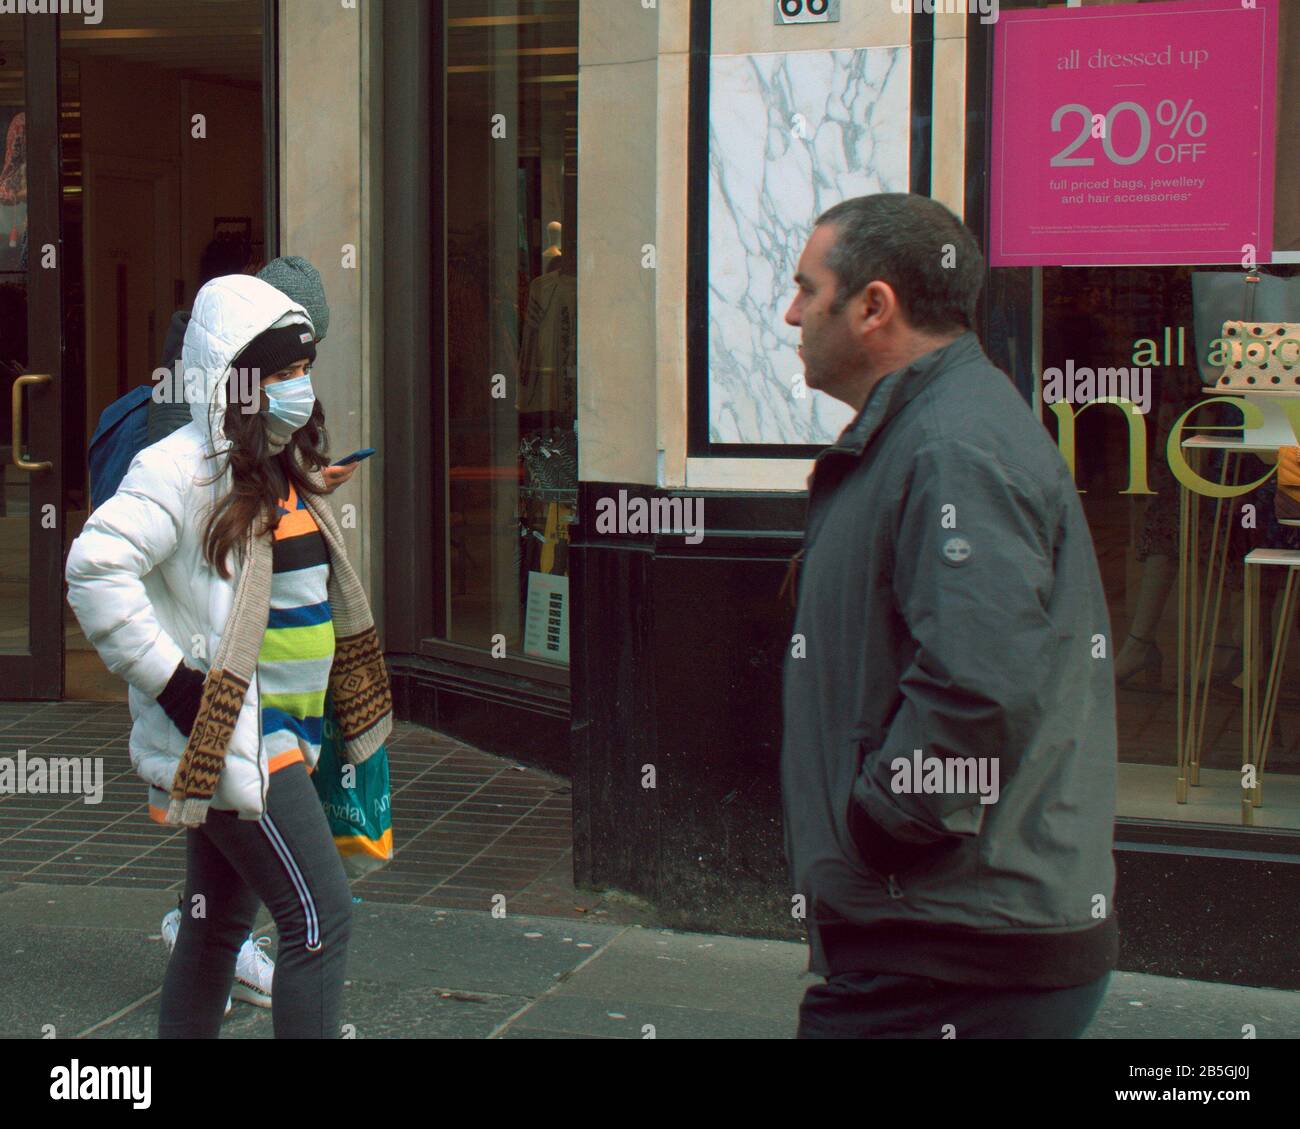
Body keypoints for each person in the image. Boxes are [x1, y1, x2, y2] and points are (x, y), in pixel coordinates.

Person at [780, 193, 1117, 1039]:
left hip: (952, 951)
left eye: (804, 287)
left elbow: (982, 681)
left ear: (873, 306)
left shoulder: (951, 445)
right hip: (942, 936)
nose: (790, 312)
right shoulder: (932, 426)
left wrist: (885, 819)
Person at [66, 273, 392, 1038]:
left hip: (279, 732)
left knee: (214, 927)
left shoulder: (275, 464)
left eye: (305, 371)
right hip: (240, 738)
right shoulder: (180, 468)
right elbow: (93, 568)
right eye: (280, 375)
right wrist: (175, 683)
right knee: (320, 919)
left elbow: (259, 572)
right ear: (237, 380)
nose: (299, 389)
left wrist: (311, 490)